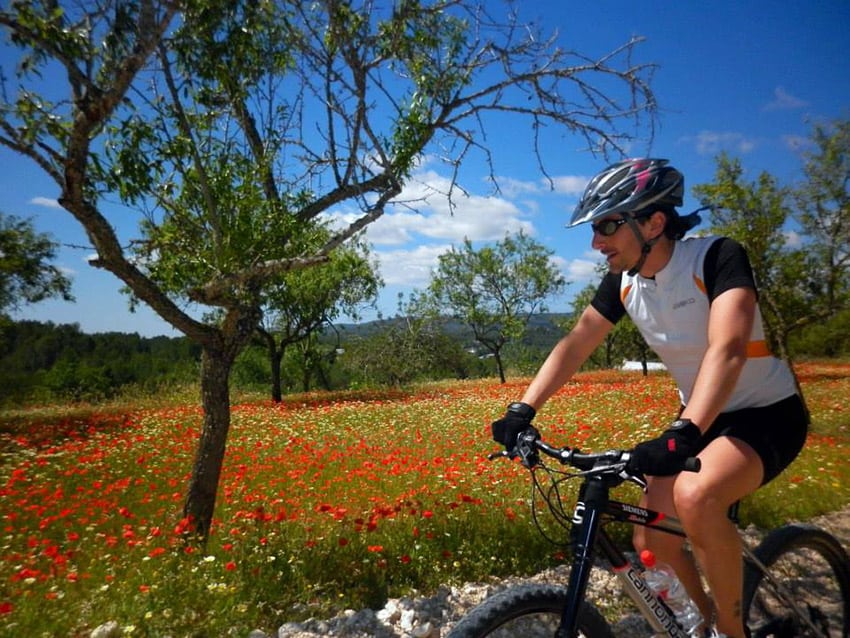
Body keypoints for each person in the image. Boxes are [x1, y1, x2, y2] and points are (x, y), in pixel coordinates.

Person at [491, 158, 809, 638]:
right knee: (652, 535)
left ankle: (730, 629)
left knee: (696, 496)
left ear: (654, 223)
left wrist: (683, 432)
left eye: (607, 226)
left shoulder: (717, 257)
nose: (596, 242)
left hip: (766, 414)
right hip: (702, 419)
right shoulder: (624, 281)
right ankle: (700, 626)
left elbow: (729, 348)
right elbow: (576, 343)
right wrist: (523, 407)